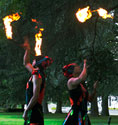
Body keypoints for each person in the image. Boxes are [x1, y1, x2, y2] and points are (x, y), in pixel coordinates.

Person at [22, 36, 53, 125]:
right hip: (34, 109)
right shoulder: (36, 73)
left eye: (34, 60)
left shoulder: (37, 76)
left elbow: (35, 96)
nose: (32, 61)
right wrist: (27, 49)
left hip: (34, 110)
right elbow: (26, 63)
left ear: (36, 63)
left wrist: (26, 110)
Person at [62, 60, 98, 125]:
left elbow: (90, 99)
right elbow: (81, 78)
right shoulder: (70, 81)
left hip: (83, 114)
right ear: (72, 70)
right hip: (75, 114)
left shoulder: (81, 85)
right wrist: (85, 66)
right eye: (76, 66)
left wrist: (94, 90)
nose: (79, 67)